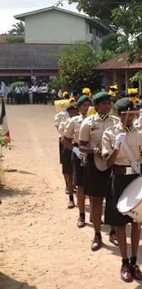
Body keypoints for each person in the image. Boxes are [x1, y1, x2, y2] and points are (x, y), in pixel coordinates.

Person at [102, 98, 142, 282]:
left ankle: (134, 262)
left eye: (133, 114)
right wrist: (117, 147)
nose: (131, 117)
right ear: (120, 115)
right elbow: (107, 163)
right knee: (120, 223)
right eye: (128, 114)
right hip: (120, 178)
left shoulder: (140, 130)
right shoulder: (110, 133)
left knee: (136, 221)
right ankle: (124, 262)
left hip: (137, 176)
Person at [79, 91, 119, 251]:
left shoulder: (116, 121)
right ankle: (97, 234)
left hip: (113, 164)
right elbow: (81, 145)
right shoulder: (88, 123)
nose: (107, 106)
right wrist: (93, 149)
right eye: (103, 103)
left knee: (114, 200)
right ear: (96, 106)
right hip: (94, 165)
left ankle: (114, 232)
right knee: (96, 201)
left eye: (109, 103)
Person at [62, 95, 91, 228]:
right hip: (79, 152)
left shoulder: (94, 120)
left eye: (88, 105)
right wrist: (75, 150)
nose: (87, 108)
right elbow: (65, 139)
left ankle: (94, 214)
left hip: (92, 152)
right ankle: (81, 214)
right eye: (84, 105)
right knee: (80, 186)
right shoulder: (74, 121)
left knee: (94, 185)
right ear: (79, 108)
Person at [59, 104, 79, 208]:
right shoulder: (64, 123)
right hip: (68, 147)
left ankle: (81, 199)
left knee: (81, 176)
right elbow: (62, 137)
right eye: (71, 112)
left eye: (75, 111)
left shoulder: (82, 121)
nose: (73, 113)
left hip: (78, 147)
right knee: (69, 174)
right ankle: (71, 198)